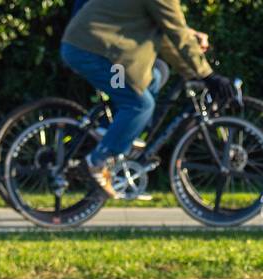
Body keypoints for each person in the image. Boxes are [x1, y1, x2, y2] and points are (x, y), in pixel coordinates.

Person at [62, 0, 234, 196]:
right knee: (139, 105)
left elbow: (168, 41)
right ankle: (97, 160)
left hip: (104, 51)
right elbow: (178, 34)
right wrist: (207, 75)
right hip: (93, 52)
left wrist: (194, 74)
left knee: (156, 77)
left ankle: (121, 133)